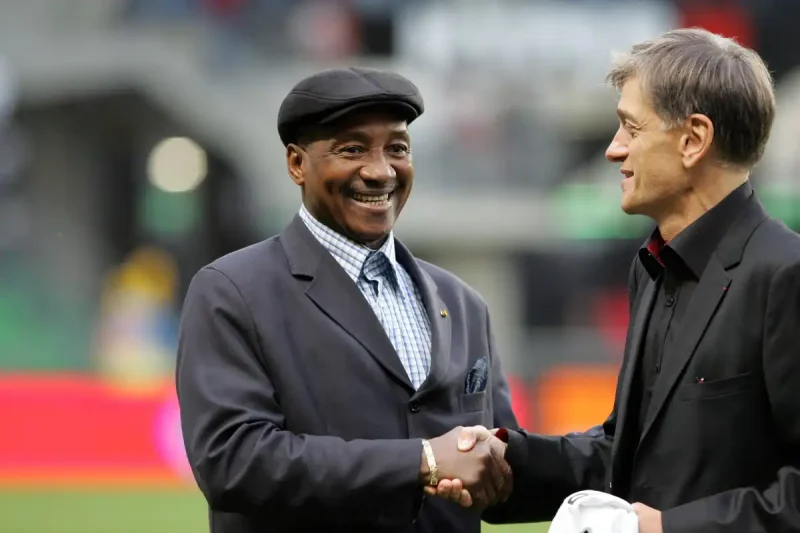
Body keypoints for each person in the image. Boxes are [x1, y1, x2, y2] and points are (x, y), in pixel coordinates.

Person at [436, 28, 800, 533]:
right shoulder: (651, 268)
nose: (614, 149)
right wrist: (507, 461)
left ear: (693, 139)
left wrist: (665, 528)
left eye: (631, 128)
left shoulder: (785, 276)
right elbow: (625, 456)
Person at [175, 66, 517, 533]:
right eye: (352, 149)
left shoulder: (463, 304)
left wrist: (614, 467)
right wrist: (420, 461)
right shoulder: (232, 291)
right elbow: (234, 461)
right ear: (297, 164)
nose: (380, 171)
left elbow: (501, 468)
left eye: (397, 148)